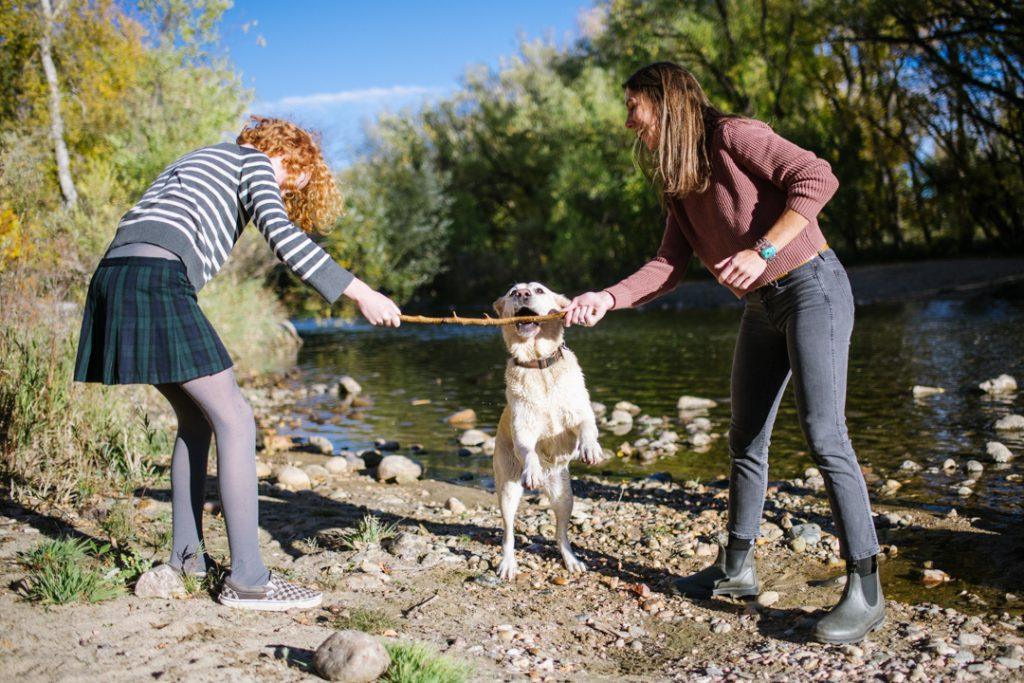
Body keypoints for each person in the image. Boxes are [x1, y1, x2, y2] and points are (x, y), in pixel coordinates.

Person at [563, 62, 883, 644]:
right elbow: (667, 267)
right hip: (761, 307)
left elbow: (817, 178)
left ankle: (866, 587)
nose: (628, 120)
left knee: (824, 434)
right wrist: (607, 298)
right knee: (744, 437)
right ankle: (736, 568)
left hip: (812, 288)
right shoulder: (678, 178)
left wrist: (763, 249)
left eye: (634, 105)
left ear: (666, 102)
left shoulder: (734, 135)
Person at [74, 116, 401, 611]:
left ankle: (187, 559)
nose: (292, 191)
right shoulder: (252, 163)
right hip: (155, 278)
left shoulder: (202, 159)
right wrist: (361, 292)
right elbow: (286, 242)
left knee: (196, 417)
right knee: (235, 416)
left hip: (115, 278)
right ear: (288, 159)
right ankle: (249, 579)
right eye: (298, 180)